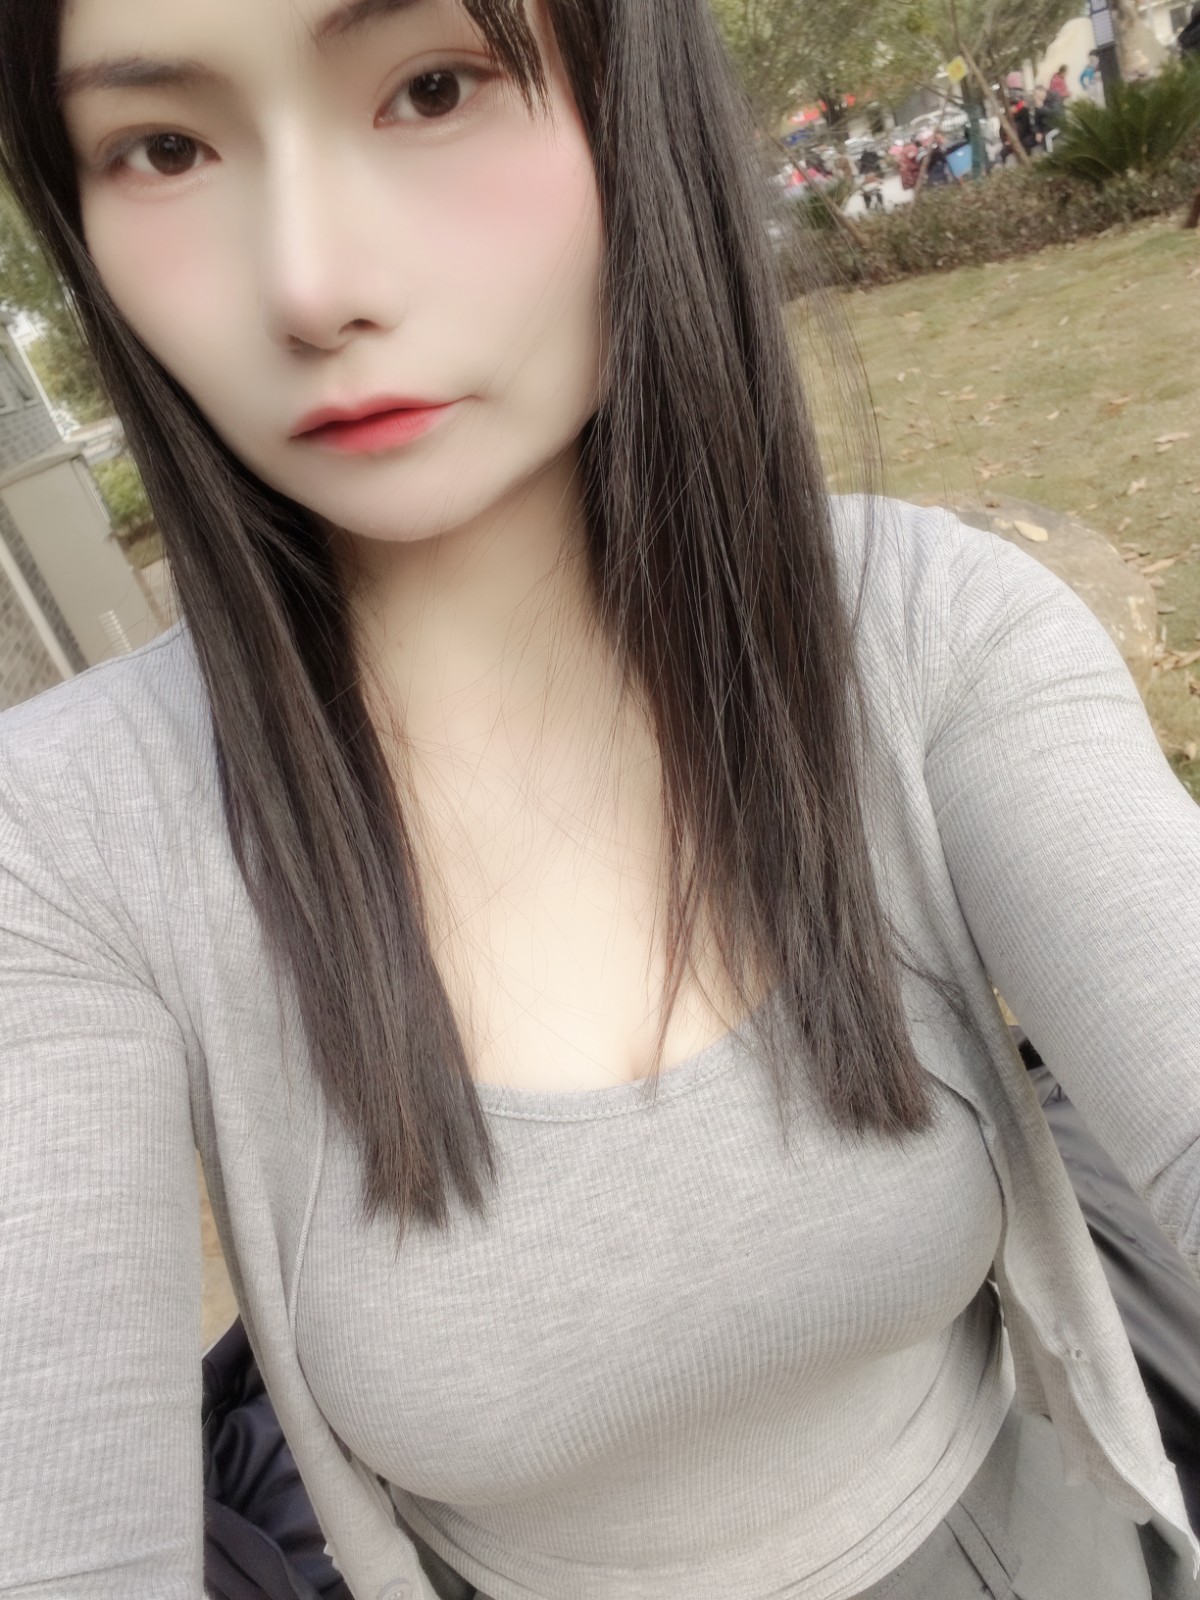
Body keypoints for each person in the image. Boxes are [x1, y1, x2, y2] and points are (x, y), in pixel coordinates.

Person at [1, 6, 1200, 1600]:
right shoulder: (66, 844)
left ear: (636, 96)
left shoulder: (934, 635)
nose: (310, 285)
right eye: (165, 148)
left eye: (433, 88)